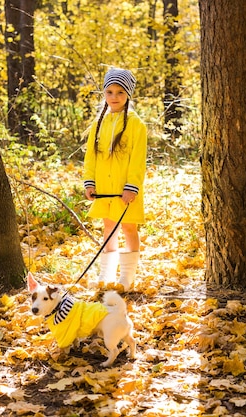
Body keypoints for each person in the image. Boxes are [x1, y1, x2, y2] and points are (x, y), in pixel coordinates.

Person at [83, 67, 147, 291]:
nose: (114, 97)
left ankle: (127, 277)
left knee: (129, 228)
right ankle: (106, 274)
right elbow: (90, 156)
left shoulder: (136, 124)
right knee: (109, 228)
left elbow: (138, 160)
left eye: (120, 92)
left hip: (125, 189)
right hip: (104, 188)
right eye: (109, 92)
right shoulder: (98, 123)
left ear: (128, 94)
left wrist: (132, 187)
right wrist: (89, 182)